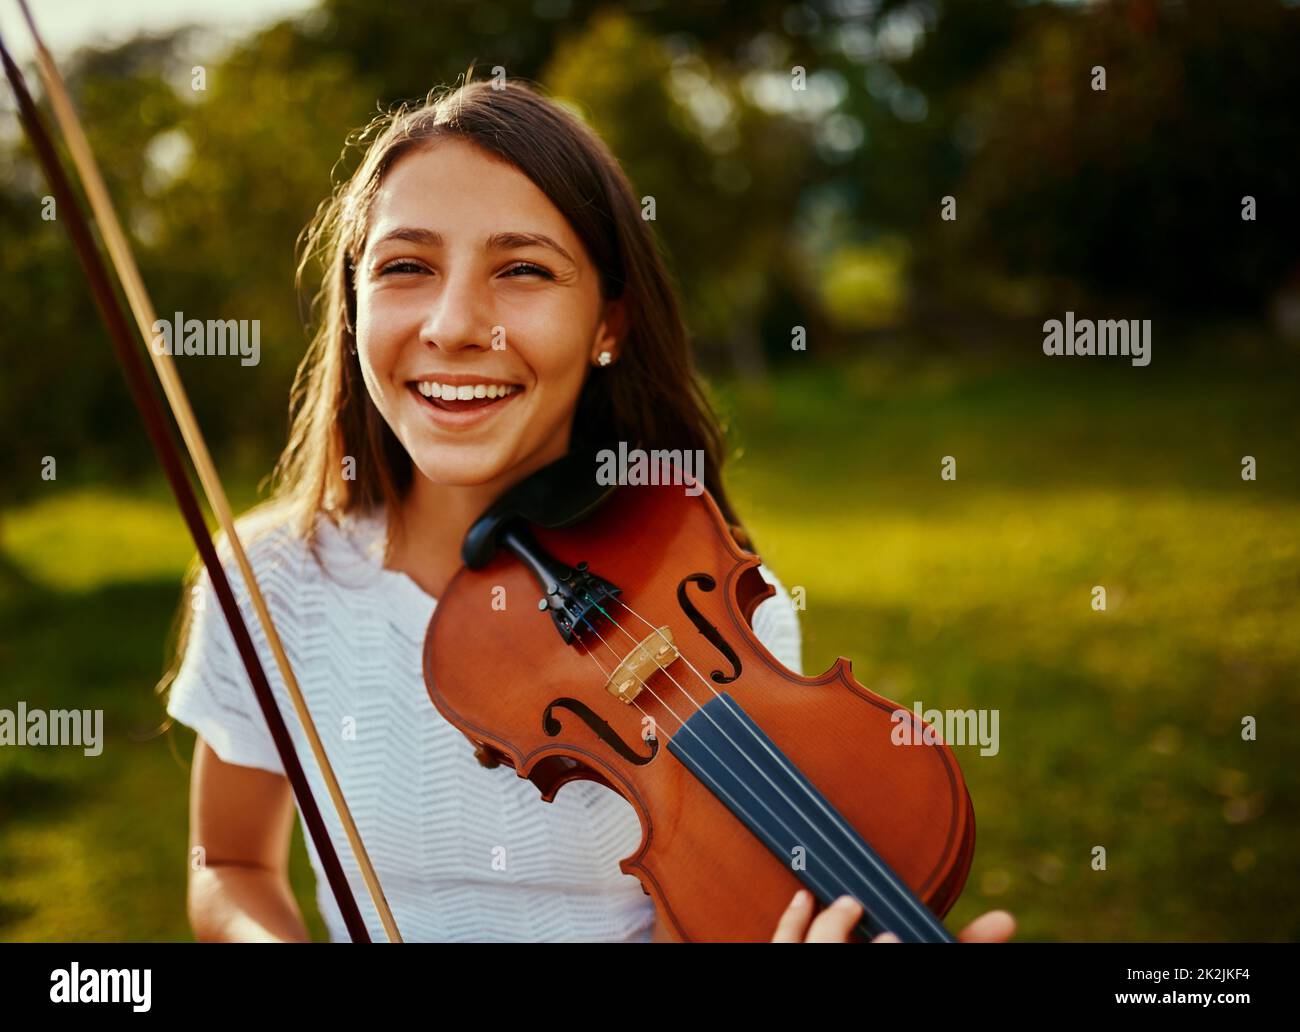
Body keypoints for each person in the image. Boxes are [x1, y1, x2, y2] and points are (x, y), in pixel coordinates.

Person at [163, 74, 1014, 944]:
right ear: (352, 305)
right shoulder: (270, 583)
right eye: (407, 267)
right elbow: (230, 866)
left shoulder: (727, 618)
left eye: (523, 269)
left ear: (609, 323)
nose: (457, 325)